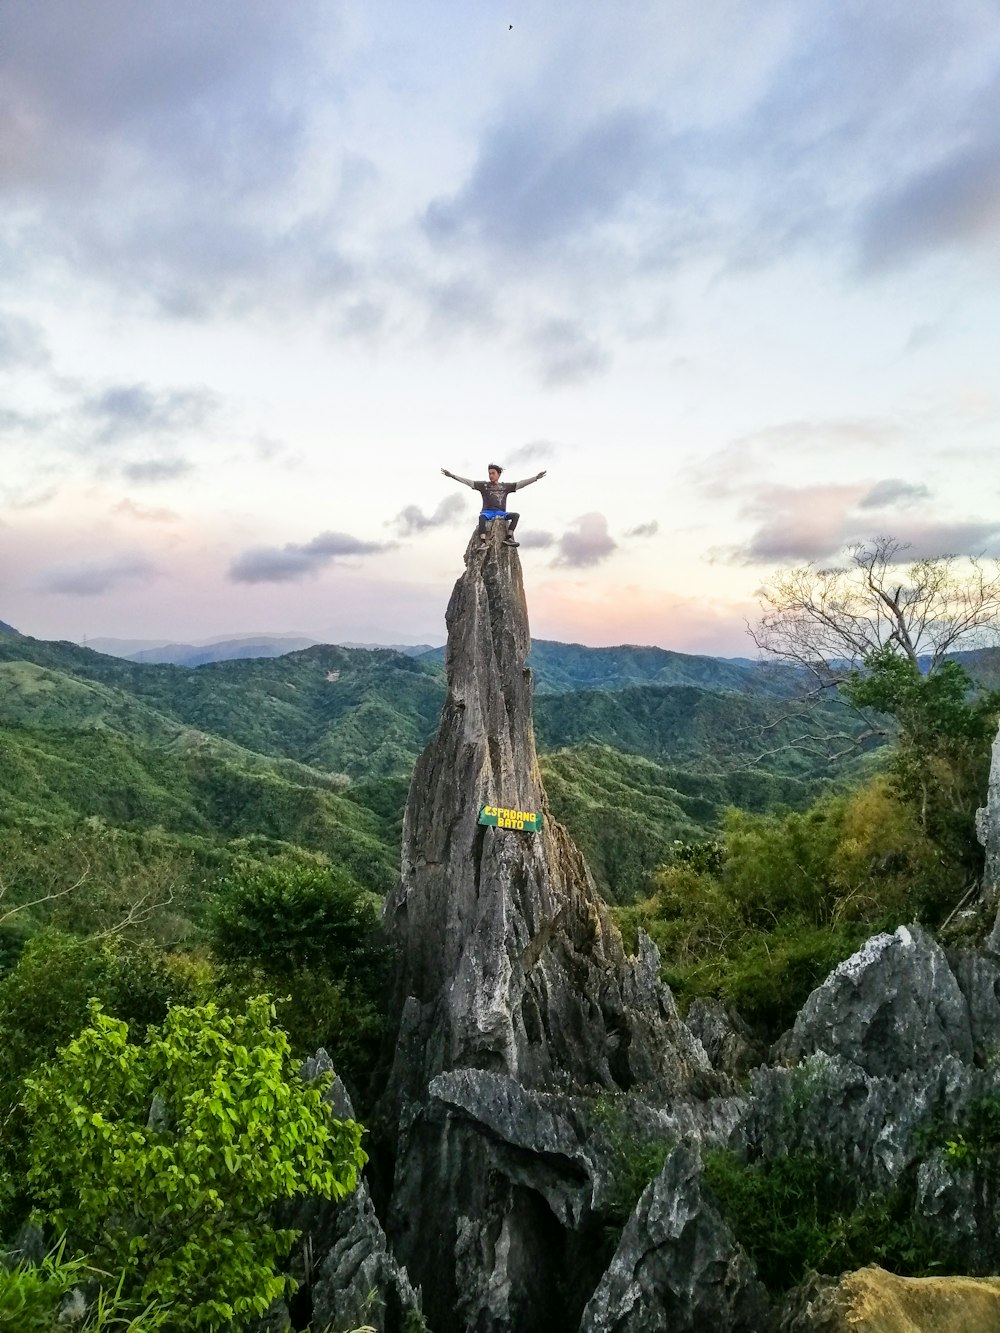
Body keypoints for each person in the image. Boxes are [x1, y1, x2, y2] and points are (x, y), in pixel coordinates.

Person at [441, 463, 547, 547]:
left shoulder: (505, 486)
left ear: (498, 474)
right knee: (481, 518)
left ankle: (508, 538)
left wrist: (535, 478)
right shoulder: (483, 485)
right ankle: (483, 542)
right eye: (489, 473)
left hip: (501, 513)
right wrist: (452, 476)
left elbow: (520, 484)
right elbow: (468, 482)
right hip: (487, 512)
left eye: (493, 473)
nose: (491, 475)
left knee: (516, 515)